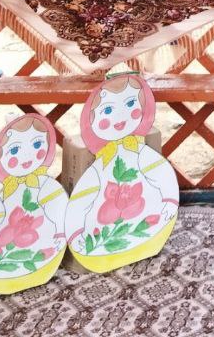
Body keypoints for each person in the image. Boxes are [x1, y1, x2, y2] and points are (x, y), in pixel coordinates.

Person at [65, 73, 178, 273]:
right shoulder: (100, 166)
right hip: (101, 243)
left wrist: (169, 201)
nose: (120, 117)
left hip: (150, 231)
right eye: (108, 110)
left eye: (130, 104)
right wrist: (76, 233)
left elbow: (162, 175)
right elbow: (83, 199)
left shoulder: (141, 152)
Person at [0, 113, 68, 293]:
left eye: (36, 145)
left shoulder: (48, 187)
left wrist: (59, 234)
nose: (27, 155)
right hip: (2, 271)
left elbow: (59, 210)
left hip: (46, 255)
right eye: (14, 150)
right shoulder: (3, 195)